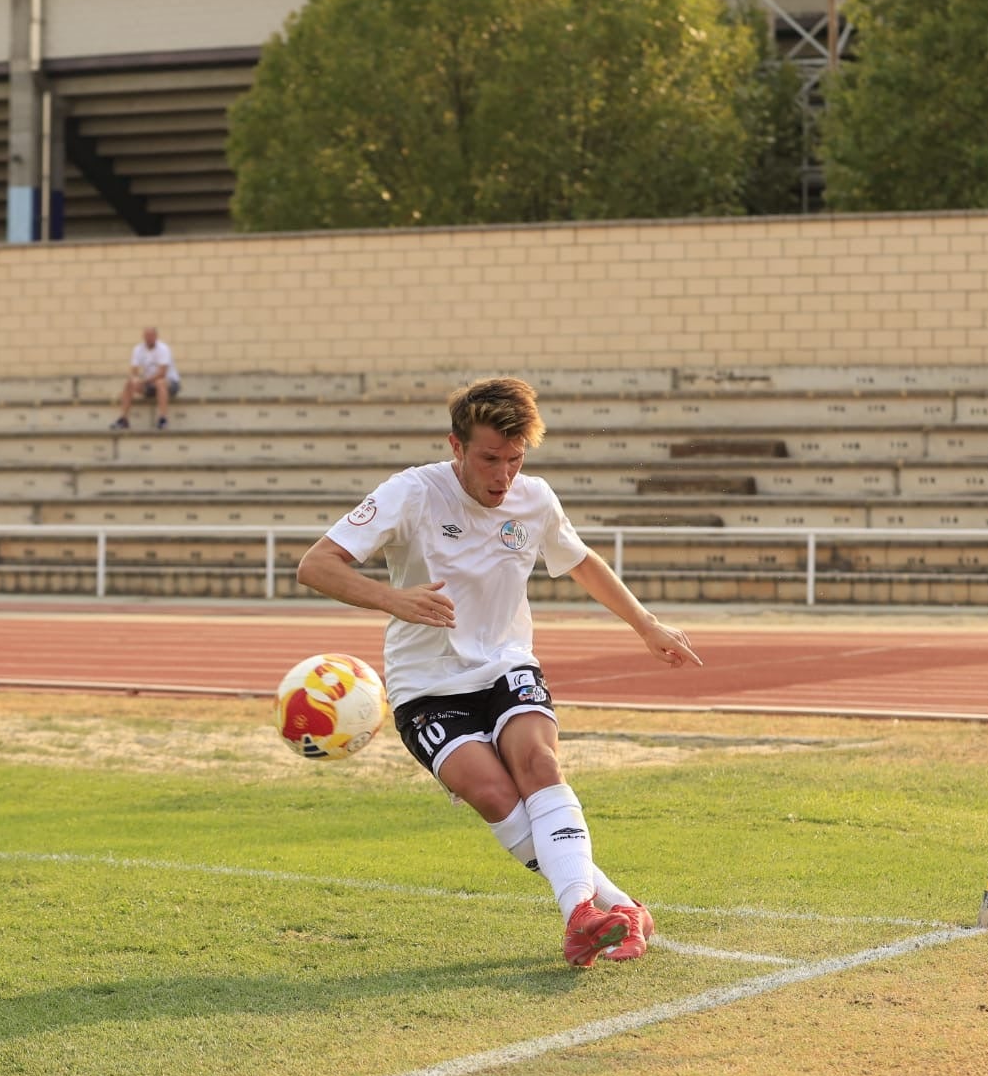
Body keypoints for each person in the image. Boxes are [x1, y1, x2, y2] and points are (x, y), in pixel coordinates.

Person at [296, 376, 702, 968]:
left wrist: (646, 625)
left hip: (507, 665)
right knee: (493, 794)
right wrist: (394, 598)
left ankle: (580, 918)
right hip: (425, 684)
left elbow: (581, 561)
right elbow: (316, 566)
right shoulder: (412, 493)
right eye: (489, 458)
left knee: (538, 763)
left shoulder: (534, 499)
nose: (502, 476)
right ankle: (619, 906)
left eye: (514, 460)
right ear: (456, 446)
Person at [111, 327, 178, 430]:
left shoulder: (163, 349)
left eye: (151, 336)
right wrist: (135, 379)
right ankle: (123, 419)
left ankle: (163, 419)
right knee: (129, 383)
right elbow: (134, 370)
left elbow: (162, 373)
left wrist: (143, 381)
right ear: (143, 337)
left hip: (170, 383)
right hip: (150, 384)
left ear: (156, 337)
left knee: (160, 382)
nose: (149, 338)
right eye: (146, 336)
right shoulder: (138, 349)